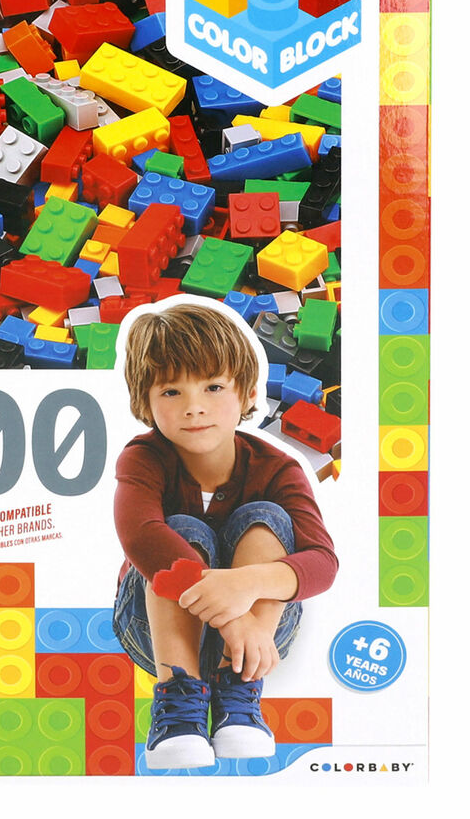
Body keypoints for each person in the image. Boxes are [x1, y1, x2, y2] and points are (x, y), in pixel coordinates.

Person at [112, 301, 338, 769]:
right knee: (180, 529)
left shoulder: (279, 469)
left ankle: (238, 691)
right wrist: (229, 616)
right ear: (145, 402)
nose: (194, 407)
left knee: (266, 515)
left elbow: (322, 561)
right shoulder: (143, 459)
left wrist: (245, 587)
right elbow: (140, 535)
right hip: (154, 630)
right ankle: (177, 700)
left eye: (213, 387)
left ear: (248, 393)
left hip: (259, 636)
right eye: (171, 391)